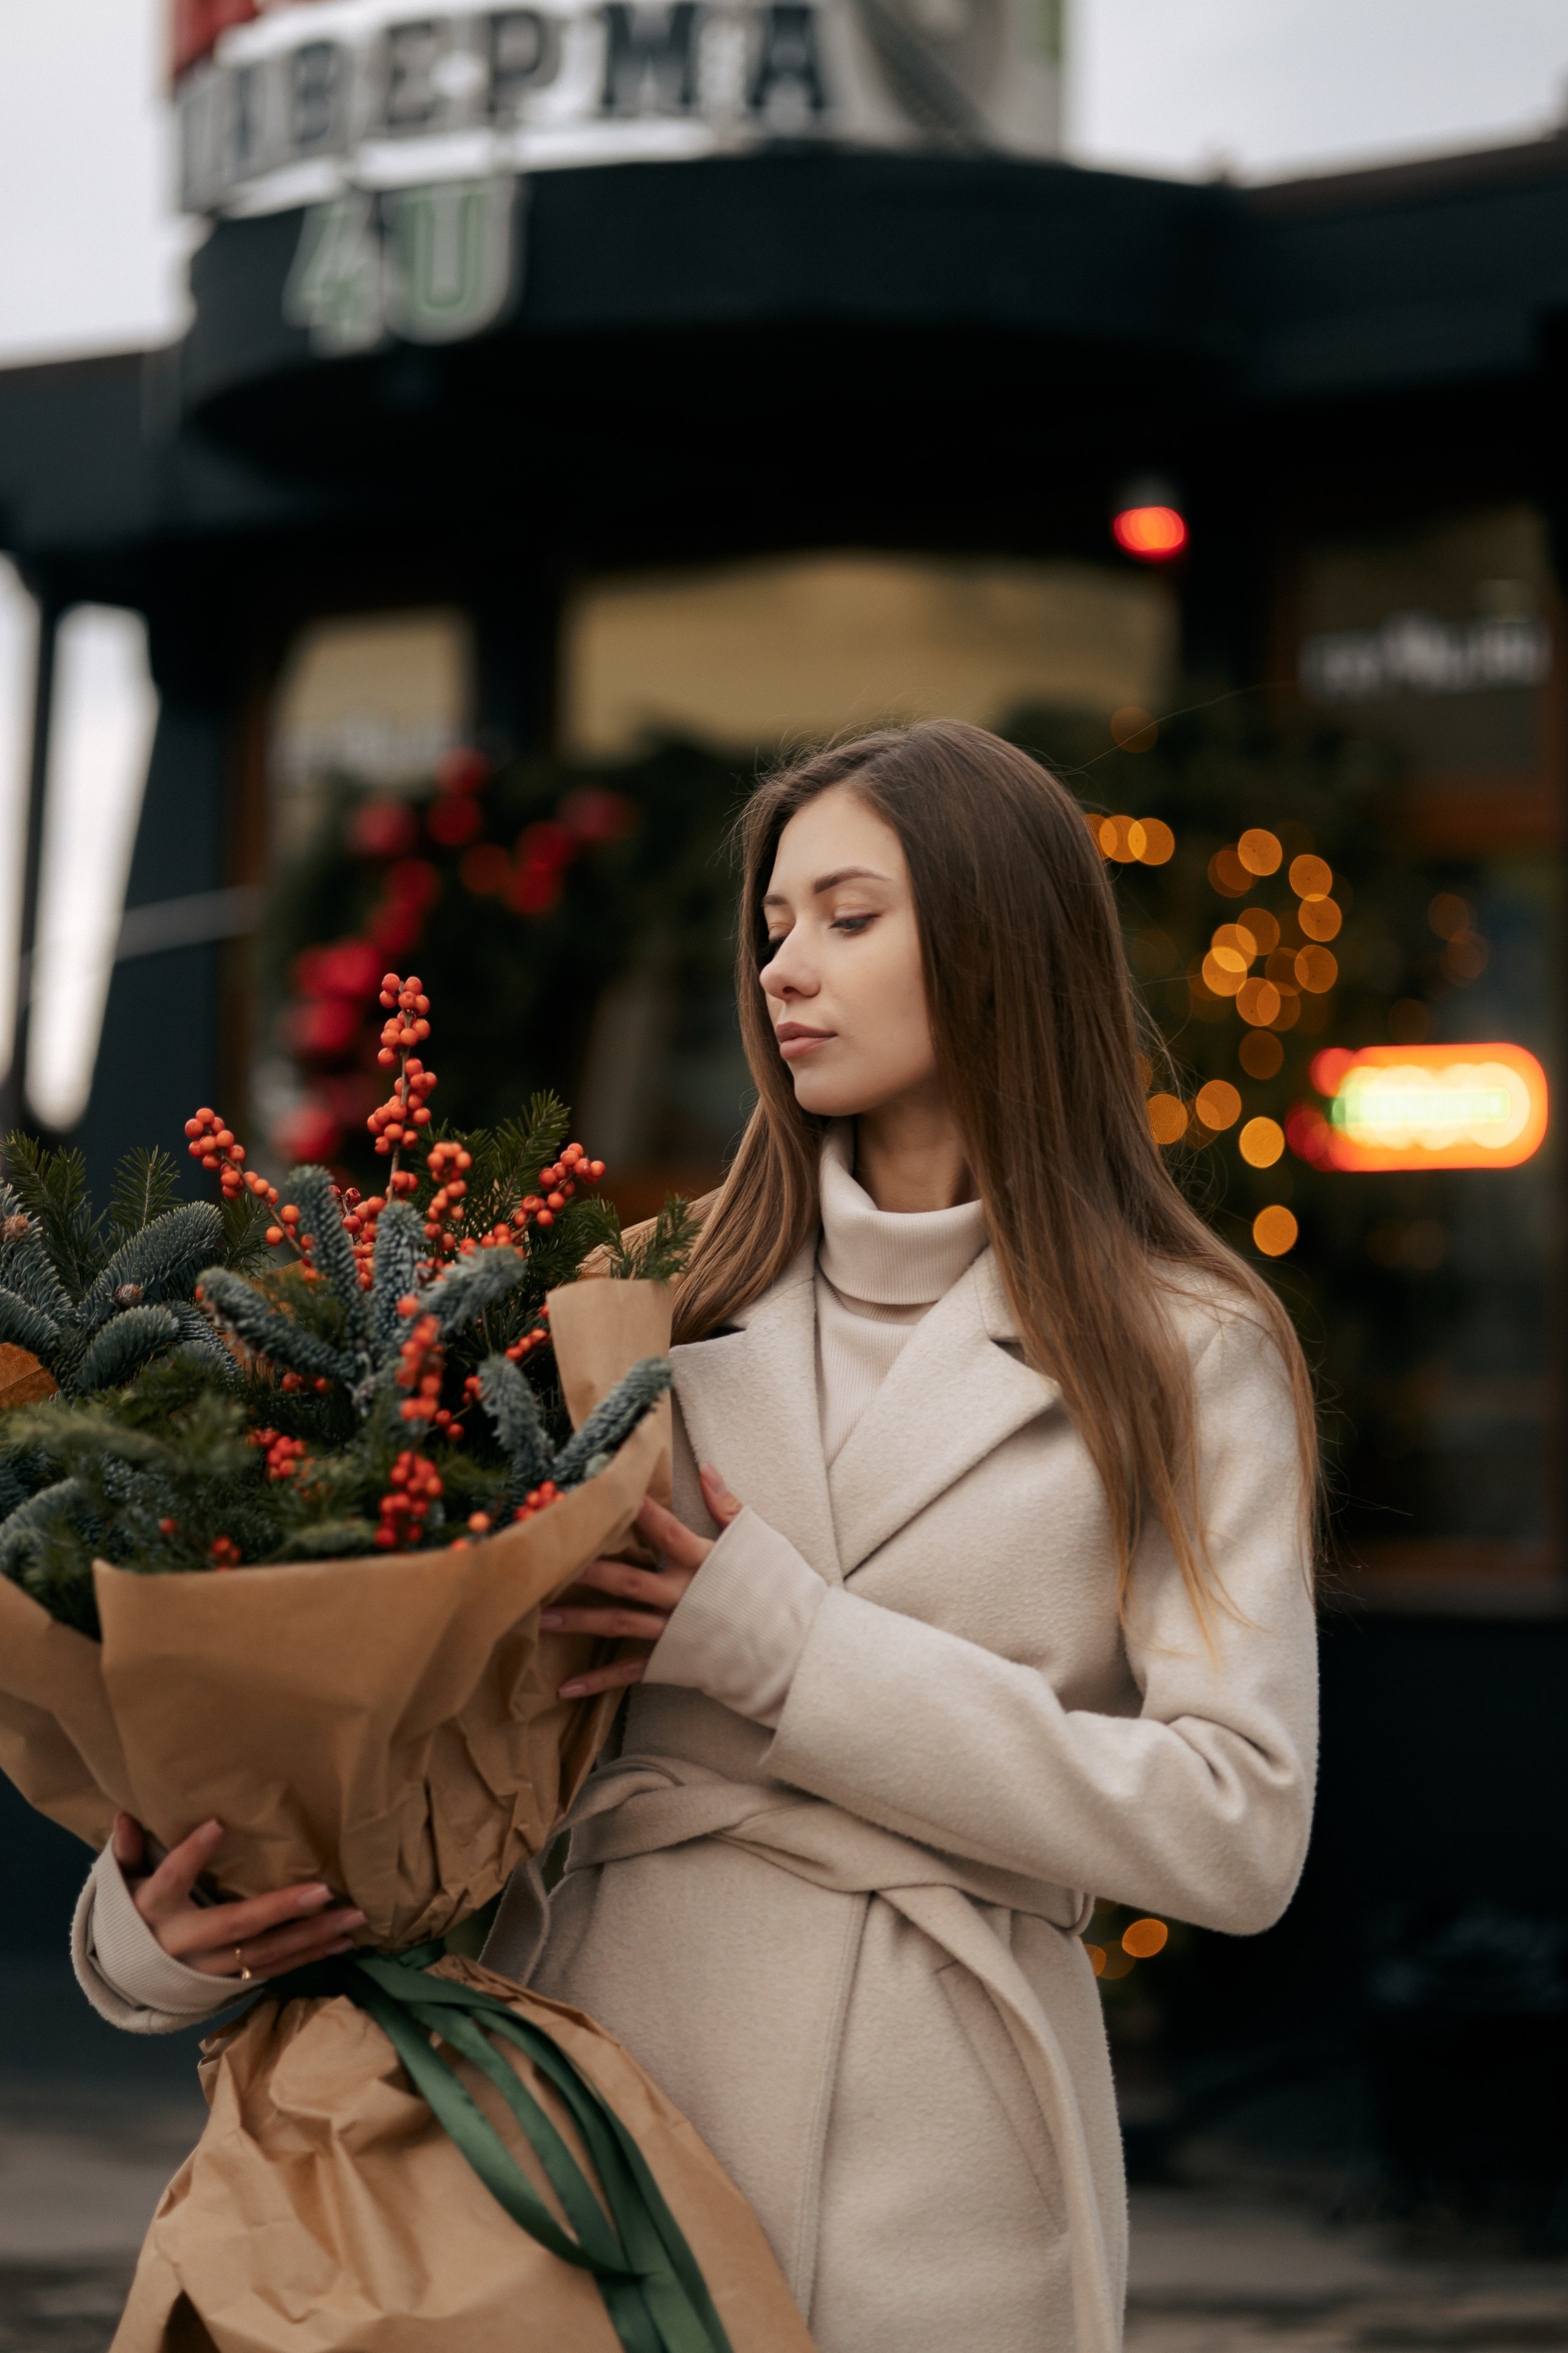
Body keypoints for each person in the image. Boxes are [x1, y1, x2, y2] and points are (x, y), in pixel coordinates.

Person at [76, 720, 1319, 2353]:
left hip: (945, 2172)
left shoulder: (1182, 1344)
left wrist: (795, 1651)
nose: (788, 966)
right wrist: (152, 1929)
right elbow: (425, 1733)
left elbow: (1239, 1829)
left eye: (851, 916)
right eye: (777, 923)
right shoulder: (632, 1314)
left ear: (1001, 937)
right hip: (583, 2136)